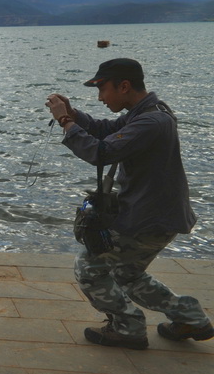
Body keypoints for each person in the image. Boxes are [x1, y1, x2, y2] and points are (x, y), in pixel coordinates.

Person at [46, 58, 212, 349]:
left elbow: (101, 151)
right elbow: (107, 129)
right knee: (127, 274)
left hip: (150, 217)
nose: (100, 98)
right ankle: (190, 318)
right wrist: (74, 115)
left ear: (124, 86)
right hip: (157, 215)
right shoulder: (146, 112)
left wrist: (64, 121)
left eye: (102, 89)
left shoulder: (151, 120)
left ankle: (128, 327)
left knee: (88, 268)